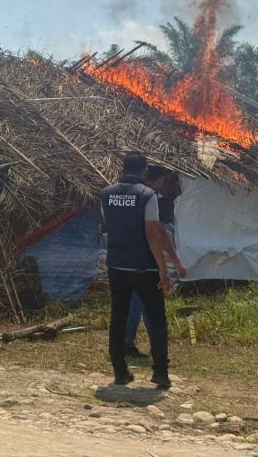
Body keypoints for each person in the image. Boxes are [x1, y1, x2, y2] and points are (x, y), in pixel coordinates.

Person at [100, 152, 184, 388]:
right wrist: (163, 270)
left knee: (118, 317)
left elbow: (111, 225)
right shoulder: (148, 195)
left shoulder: (106, 194)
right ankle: (160, 373)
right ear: (144, 171)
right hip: (144, 267)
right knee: (157, 319)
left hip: (116, 264)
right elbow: (152, 233)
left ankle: (120, 372)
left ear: (122, 168)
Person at [123, 166, 186, 358]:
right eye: (163, 182)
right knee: (140, 302)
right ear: (158, 181)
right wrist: (173, 262)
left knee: (143, 302)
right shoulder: (150, 198)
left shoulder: (128, 196)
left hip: (126, 256)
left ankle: (152, 343)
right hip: (144, 259)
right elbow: (158, 233)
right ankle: (127, 343)